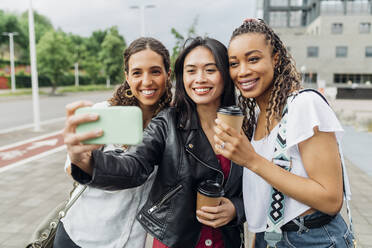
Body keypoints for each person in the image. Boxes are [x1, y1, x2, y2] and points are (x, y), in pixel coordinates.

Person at [63, 37, 245, 248]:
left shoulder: (244, 124)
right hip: (168, 241)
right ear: (181, 76)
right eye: (191, 70)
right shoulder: (167, 122)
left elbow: (256, 189)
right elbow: (133, 166)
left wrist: (236, 208)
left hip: (225, 241)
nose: (200, 78)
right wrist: (86, 161)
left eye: (210, 70)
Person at [213, 19, 354, 247]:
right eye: (234, 63)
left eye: (253, 59)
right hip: (270, 238)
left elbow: (330, 199)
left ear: (275, 59)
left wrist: (252, 160)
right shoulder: (258, 117)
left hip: (310, 239)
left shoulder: (304, 105)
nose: (243, 71)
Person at [54, 37, 173, 248]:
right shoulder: (103, 113)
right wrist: (79, 158)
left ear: (167, 74)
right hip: (80, 236)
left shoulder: (175, 125)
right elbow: (72, 169)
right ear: (127, 77)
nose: (146, 81)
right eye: (137, 73)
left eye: (155, 71)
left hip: (133, 241)